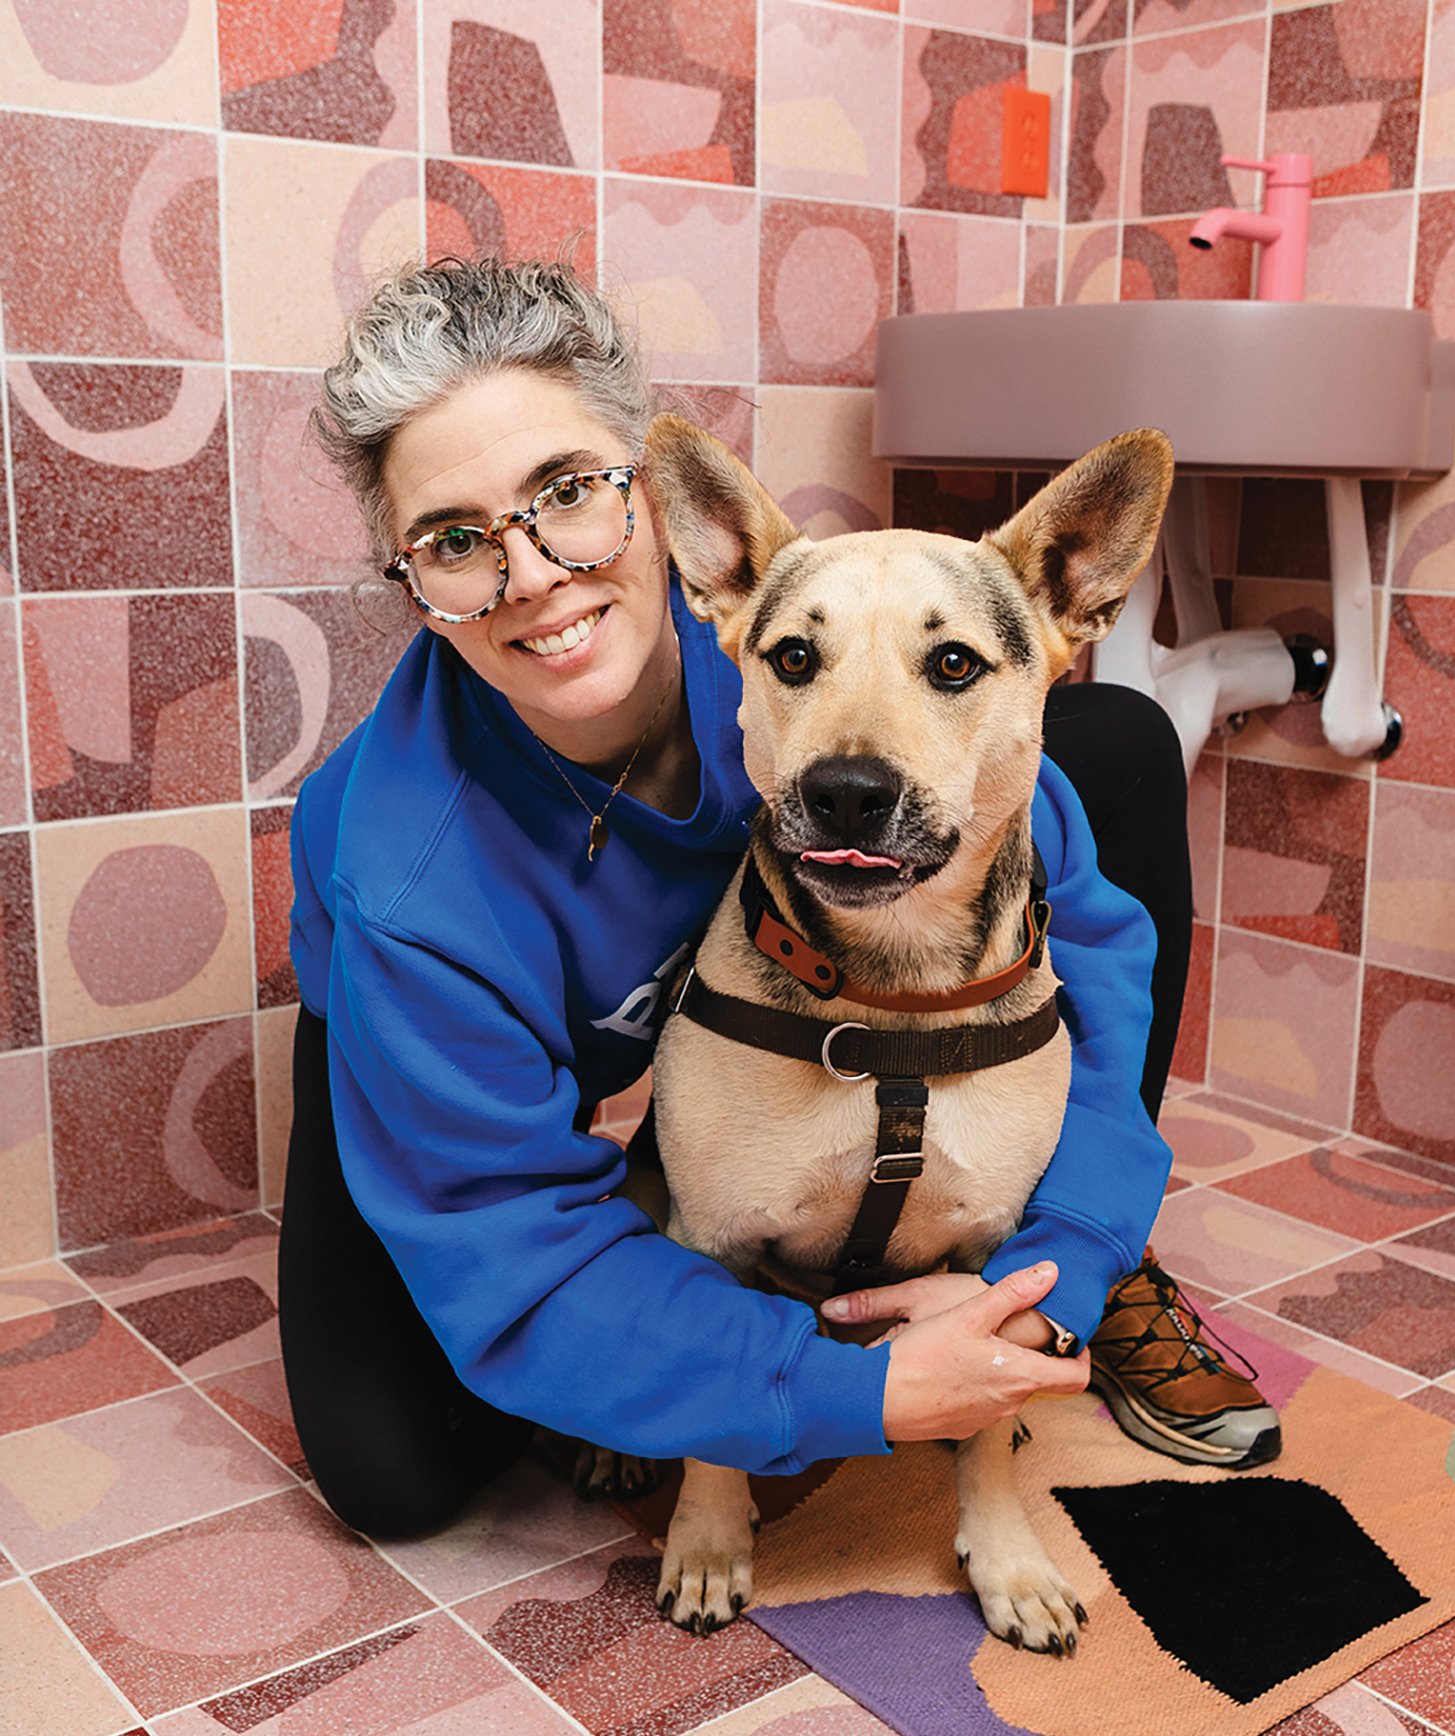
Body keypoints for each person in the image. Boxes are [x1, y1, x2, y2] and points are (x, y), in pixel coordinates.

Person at [279, 255, 1279, 1542]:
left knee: (1126, 743)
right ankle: (735, 1308)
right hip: (413, 1054)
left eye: (569, 495)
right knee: (395, 1471)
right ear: (413, 579)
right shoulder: (408, 881)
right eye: (457, 540)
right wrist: (841, 1384)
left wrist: (1064, 1264)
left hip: (787, 1016)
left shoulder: (785, 609)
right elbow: (512, 1241)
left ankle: (1070, 1233)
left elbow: (1082, 930)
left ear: (649, 498)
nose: (531, 575)